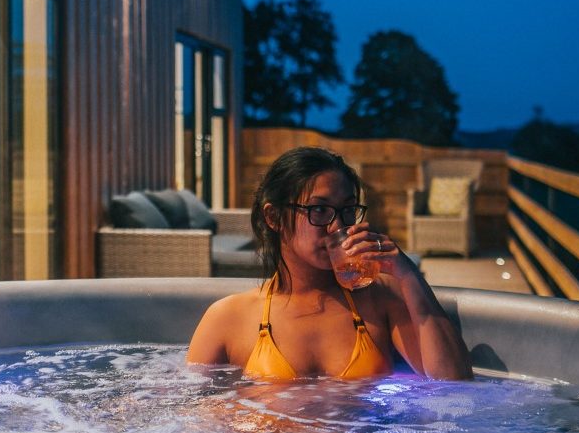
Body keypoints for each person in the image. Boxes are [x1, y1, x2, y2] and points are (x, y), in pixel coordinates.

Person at [188, 146, 473, 381]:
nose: (338, 226)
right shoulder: (229, 318)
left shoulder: (379, 298)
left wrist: (409, 275)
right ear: (273, 218)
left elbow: (453, 388)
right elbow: (188, 415)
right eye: (320, 210)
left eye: (348, 210)